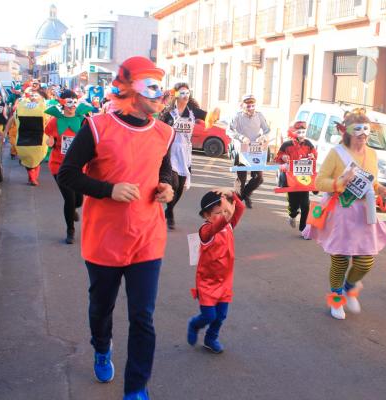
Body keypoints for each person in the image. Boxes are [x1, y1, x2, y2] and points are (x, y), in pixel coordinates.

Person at [58, 56, 174, 400]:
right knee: (101, 308)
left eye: (160, 86)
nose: (160, 94)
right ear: (128, 89)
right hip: (104, 240)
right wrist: (108, 189)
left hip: (147, 238)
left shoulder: (164, 132)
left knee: (143, 317)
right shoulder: (96, 126)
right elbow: (67, 173)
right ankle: (101, 346)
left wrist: (166, 187)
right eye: (151, 86)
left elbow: (164, 171)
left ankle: (136, 388)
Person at [307, 108, 386, 320]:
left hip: (365, 212)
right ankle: (336, 299)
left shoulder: (372, 153)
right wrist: (339, 182)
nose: (363, 135)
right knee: (340, 260)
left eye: (366, 131)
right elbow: (319, 182)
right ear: (348, 132)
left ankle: (349, 287)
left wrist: (380, 189)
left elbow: (371, 180)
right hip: (342, 212)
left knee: (365, 261)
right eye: (358, 131)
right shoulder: (337, 153)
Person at [187, 188, 245, 353]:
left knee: (221, 316)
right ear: (206, 215)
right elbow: (216, 227)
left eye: (226, 211)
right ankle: (194, 324)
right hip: (207, 282)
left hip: (225, 281)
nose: (225, 215)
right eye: (219, 212)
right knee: (209, 316)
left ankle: (210, 338)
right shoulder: (205, 231)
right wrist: (226, 215)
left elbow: (240, 208)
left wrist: (231, 194)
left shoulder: (229, 226)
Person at [44, 90, 93, 244]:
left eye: (74, 101)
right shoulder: (54, 121)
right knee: (69, 199)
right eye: (68, 102)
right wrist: (50, 142)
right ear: (62, 103)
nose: (72, 105)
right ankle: (70, 231)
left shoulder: (83, 120)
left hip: (78, 166)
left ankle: (73, 210)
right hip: (59, 166)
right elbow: (50, 138)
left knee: (79, 200)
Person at [159, 82, 206, 229]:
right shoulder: (168, 112)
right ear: (177, 95)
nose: (185, 96)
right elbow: (158, 128)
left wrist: (215, 114)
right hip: (170, 151)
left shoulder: (192, 112)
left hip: (185, 153)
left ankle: (169, 210)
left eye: (187, 93)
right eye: (182, 93)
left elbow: (210, 117)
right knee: (174, 184)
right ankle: (171, 213)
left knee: (180, 188)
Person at [274, 120, 317, 235]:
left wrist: (313, 156)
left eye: (304, 132)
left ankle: (303, 229)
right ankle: (292, 215)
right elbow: (277, 158)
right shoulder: (286, 145)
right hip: (291, 179)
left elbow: (314, 155)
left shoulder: (309, 144)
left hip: (304, 179)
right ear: (294, 132)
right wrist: (283, 157)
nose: (302, 134)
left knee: (305, 205)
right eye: (299, 132)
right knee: (293, 204)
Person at [228, 94, 271, 208]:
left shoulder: (259, 116)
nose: (251, 108)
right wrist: (241, 137)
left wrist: (263, 137)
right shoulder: (237, 116)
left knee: (259, 178)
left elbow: (267, 130)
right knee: (241, 180)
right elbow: (229, 131)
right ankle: (236, 203)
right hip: (242, 149)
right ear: (243, 105)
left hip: (256, 149)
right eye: (248, 106)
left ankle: (245, 195)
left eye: (253, 106)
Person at [3, 89, 48, 185]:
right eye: (32, 95)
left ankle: (33, 178)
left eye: (36, 95)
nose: (33, 97)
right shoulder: (22, 107)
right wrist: (6, 131)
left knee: (37, 159)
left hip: (39, 138)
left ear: (41, 97)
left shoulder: (45, 108)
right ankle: (32, 178)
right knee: (27, 159)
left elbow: (50, 122)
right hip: (24, 138)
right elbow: (12, 119)